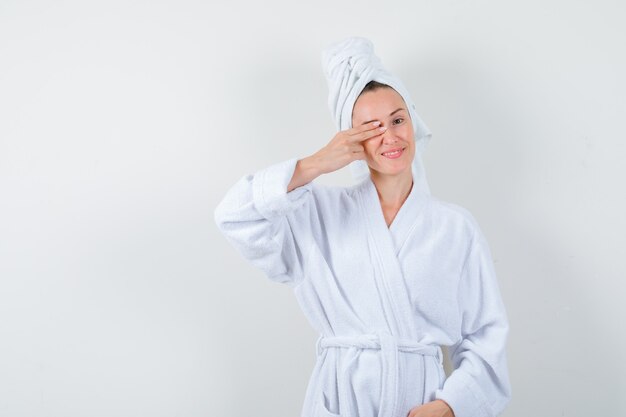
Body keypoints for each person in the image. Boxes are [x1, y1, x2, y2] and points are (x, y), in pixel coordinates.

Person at [214, 37, 511, 417]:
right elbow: (234, 216)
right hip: (340, 400)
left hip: (421, 403)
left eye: (397, 119)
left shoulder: (454, 228)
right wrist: (314, 164)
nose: (390, 136)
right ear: (350, 140)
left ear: (412, 122)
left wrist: (450, 406)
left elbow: (485, 335)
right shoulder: (315, 213)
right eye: (371, 128)